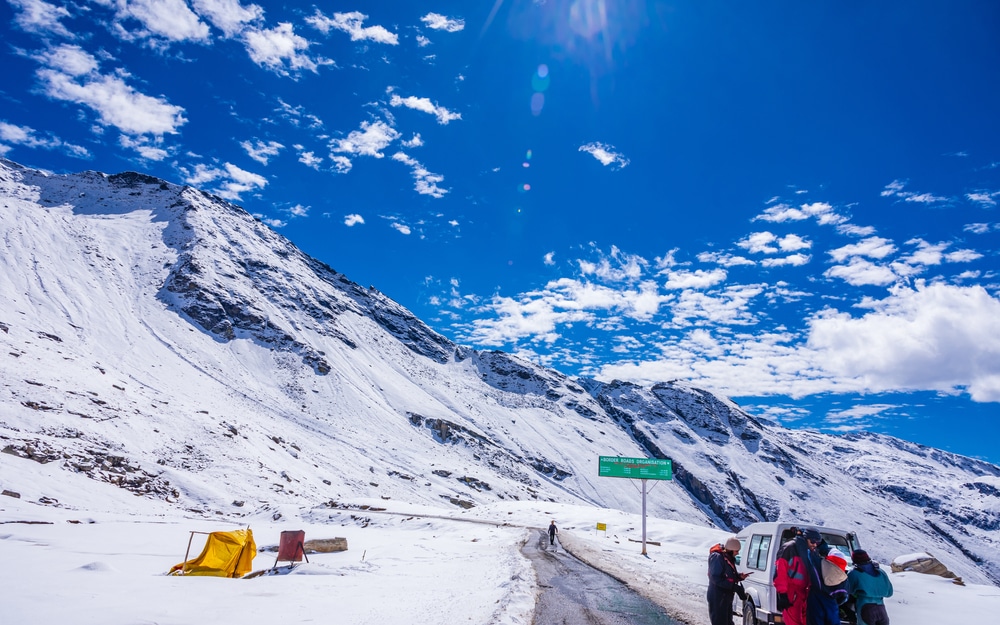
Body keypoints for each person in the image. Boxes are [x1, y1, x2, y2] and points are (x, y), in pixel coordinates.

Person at [774, 528, 818, 625]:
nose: (815, 544)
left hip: (805, 594)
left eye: (817, 542)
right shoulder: (789, 548)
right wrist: (783, 594)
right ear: (805, 538)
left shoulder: (809, 551)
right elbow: (780, 572)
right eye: (813, 541)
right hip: (792, 594)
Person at [707, 537, 749, 625]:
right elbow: (715, 578)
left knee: (727, 622)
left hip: (725, 596)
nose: (737, 553)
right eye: (736, 551)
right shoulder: (717, 557)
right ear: (730, 550)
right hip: (717, 596)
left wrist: (739, 576)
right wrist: (734, 587)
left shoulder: (727, 557)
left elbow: (727, 575)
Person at [847, 550, 893, 625]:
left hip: (865, 607)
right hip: (881, 608)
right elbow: (890, 592)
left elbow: (848, 590)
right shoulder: (881, 572)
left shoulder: (854, 573)